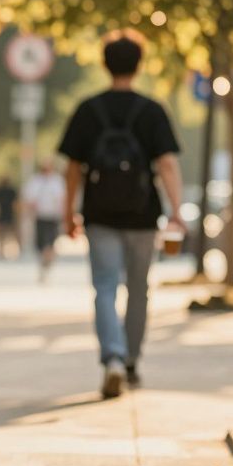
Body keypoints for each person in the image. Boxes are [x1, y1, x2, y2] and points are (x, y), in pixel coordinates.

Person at [58, 29, 184, 399]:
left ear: (105, 63)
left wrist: (69, 214)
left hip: (99, 216)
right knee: (139, 289)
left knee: (105, 287)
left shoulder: (88, 109)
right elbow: (167, 164)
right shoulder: (152, 110)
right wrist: (177, 211)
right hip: (144, 216)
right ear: (139, 64)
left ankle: (111, 358)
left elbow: (72, 169)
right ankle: (130, 362)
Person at [21, 158, 66, 283]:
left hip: (53, 217)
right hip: (39, 217)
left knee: (50, 243)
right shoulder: (35, 181)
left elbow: (62, 199)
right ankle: (43, 265)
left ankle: (48, 264)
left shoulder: (57, 181)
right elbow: (28, 198)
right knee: (40, 244)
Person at [0, 176, 19, 258]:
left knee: (6, 234)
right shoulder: (2, 191)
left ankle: (4, 250)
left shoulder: (9, 191)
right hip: (6, 214)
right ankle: (3, 250)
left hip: (5, 214)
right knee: (5, 233)